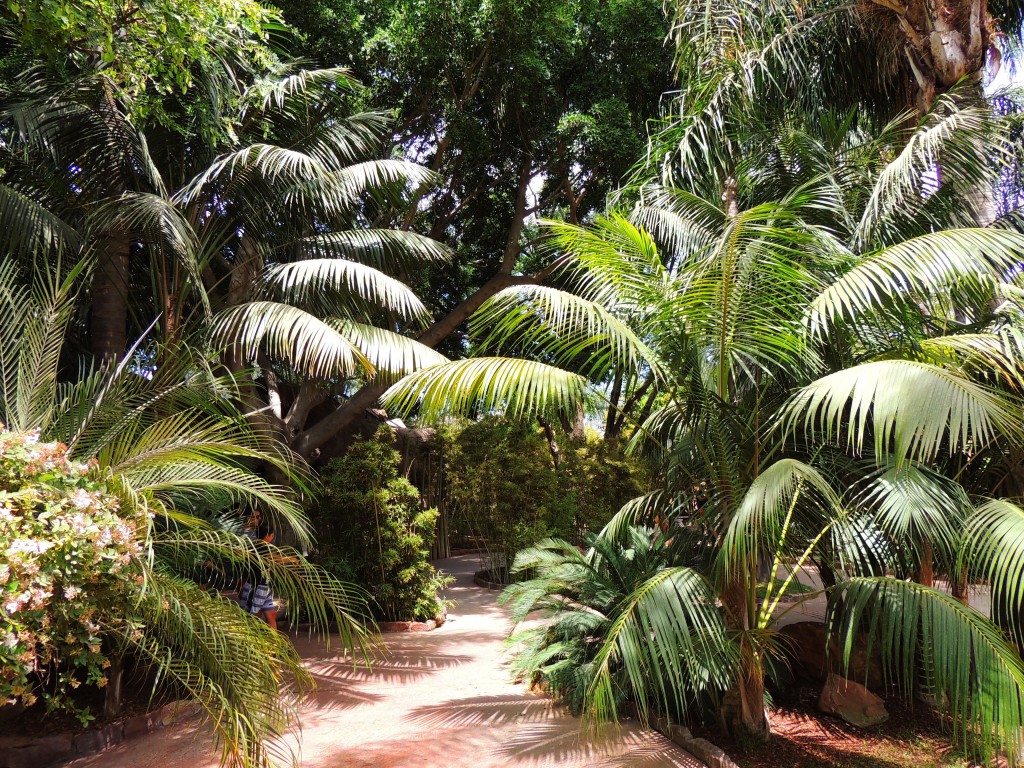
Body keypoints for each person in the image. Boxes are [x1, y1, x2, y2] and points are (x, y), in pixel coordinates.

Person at [239, 509, 278, 630]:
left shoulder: (259, 547)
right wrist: (292, 559)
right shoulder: (260, 548)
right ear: (268, 535)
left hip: (264, 587)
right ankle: (247, 643)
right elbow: (274, 559)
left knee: (271, 615)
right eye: (272, 535)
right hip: (256, 587)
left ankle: (277, 646)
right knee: (252, 617)